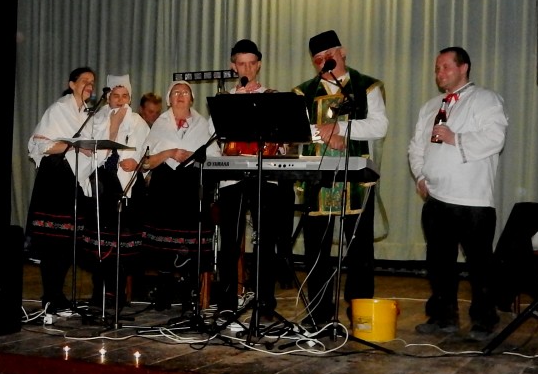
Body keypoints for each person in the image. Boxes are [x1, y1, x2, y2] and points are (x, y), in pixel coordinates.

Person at [406, 46, 508, 341]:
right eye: (437, 69)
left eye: (446, 67)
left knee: (479, 264)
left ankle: (484, 320)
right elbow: (416, 146)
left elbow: (495, 138)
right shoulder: (430, 107)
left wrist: (456, 138)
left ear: (464, 68)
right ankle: (443, 317)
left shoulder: (485, 100)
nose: (440, 73)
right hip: (437, 199)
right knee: (439, 263)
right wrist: (421, 175)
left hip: (472, 199)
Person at [292, 30, 387, 329]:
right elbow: (295, 131)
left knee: (359, 250)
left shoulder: (366, 86)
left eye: (329, 56)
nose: (324, 62)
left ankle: (361, 315)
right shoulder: (303, 92)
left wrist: (342, 130)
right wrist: (324, 133)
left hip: (355, 180)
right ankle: (319, 313)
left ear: (342, 52)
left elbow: (379, 126)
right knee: (316, 250)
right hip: (316, 180)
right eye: (318, 59)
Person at [212, 38, 295, 313]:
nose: (246, 68)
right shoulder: (225, 100)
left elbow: (285, 141)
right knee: (230, 240)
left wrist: (278, 146)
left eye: (251, 63)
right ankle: (226, 301)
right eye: (241, 64)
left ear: (258, 65)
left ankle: (264, 299)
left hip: (264, 174)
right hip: (232, 176)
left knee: (265, 239)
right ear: (233, 67)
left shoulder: (272, 97)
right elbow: (215, 140)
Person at [26, 66, 98, 315]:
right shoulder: (59, 109)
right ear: (72, 84)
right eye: (84, 80)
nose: (89, 85)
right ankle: (50, 295)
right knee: (52, 242)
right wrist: (73, 145)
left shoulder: (87, 115)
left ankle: (59, 294)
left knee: (68, 242)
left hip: (73, 181)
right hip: (55, 178)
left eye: (92, 82)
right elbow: (40, 145)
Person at [140, 80, 217, 312]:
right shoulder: (160, 124)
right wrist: (169, 152)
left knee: (190, 242)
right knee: (164, 242)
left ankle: (188, 291)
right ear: (168, 99)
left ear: (192, 98)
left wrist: (195, 156)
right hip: (164, 186)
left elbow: (214, 158)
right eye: (175, 92)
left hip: (191, 186)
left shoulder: (202, 124)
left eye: (185, 92)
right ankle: (163, 289)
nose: (180, 96)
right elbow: (146, 161)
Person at [78, 75, 149, 316]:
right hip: (101, 185)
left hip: (125, 187)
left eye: (124, 96)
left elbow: (145, 151)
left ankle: (115, 293)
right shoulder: (97, 119)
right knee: (99, 241)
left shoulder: (138, 121)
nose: (120, 100)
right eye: (115, 96)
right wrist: (114, 124)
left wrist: (136, 162)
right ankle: (98, 290)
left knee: (119, 244)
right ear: (108, 98)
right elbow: (95, 151)